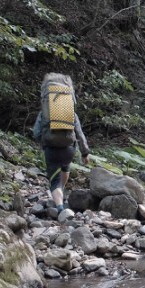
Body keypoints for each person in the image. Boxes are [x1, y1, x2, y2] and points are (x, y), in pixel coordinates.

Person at [32, 79, 90, 223]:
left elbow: (36, 133)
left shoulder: (44, 113)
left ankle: (59, 207)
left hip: (51, 150)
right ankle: (61, 192)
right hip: (69, 150)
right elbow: (80, 134)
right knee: (65, 167)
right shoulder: (71, 114)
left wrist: (43, 143)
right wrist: (85, 153)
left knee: (54, 182)